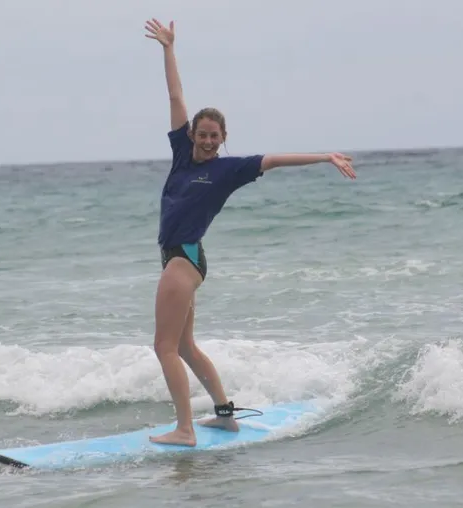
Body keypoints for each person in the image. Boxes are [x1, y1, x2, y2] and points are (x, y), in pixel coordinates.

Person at [144, 18, 356, 447]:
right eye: (201, 134)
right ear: (192, 135)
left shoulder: (229, 169)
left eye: (213, 136)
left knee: (163, 347)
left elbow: (275, 160)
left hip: (184, 258)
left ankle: (185, 429)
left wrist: (324, 157)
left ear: (224, 139)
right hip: (184, 256)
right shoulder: (182, 155)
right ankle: (224, 416)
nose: (206, 140)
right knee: (184, 346)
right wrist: (168, 48)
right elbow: (175, 95)